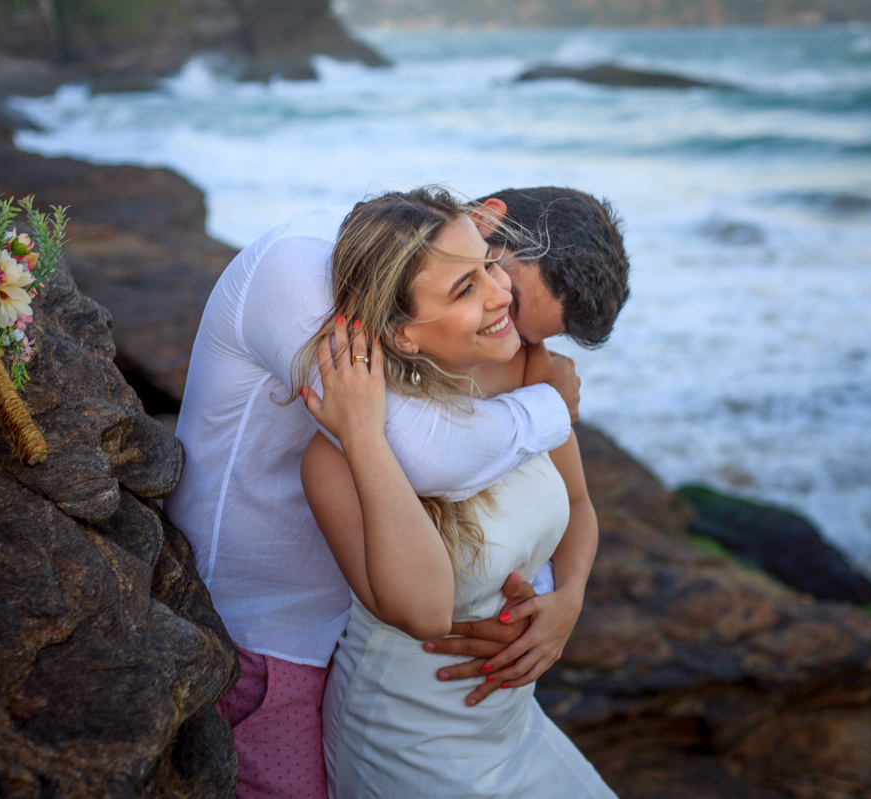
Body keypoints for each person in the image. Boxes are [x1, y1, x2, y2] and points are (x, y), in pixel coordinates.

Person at [164, 186, 628, 798]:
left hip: (414, 669)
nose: (505, 323)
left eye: (534, 334)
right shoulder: (305, 270)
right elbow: (418, 452)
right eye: (493, 292)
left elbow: (564, 505)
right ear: (487, 221)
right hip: (274, 630)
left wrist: (561, 600)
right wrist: (548, 407)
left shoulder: (496, 344)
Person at [297, 187, 617, 797]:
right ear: (403, 334)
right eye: (464, 289)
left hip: (513, 725)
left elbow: (577, 504)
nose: (499, 297)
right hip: (412, 738)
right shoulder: (335, 459)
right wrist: (364, 437)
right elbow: (424, 612)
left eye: (489, 268)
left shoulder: (524, 369)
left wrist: (567, 601)